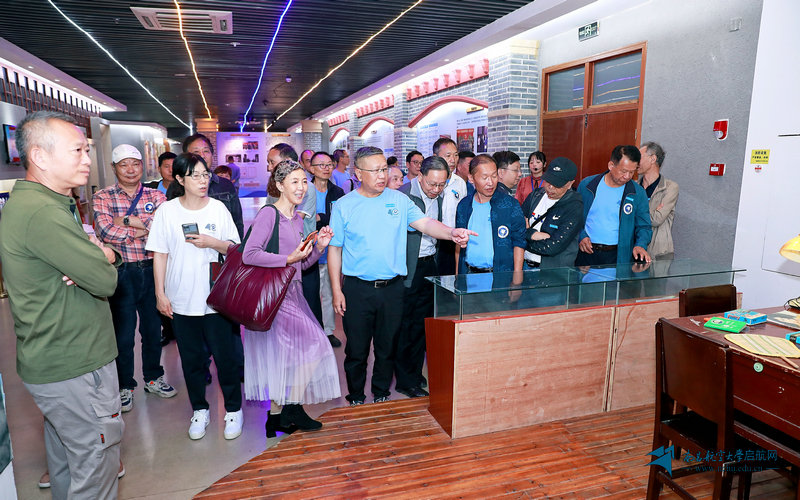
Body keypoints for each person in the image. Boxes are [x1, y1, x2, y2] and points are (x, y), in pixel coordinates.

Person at [0, 110, 124, 498]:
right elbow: (105, 280)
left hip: (58, 362)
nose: (87, 159)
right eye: (77, 150)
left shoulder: (45, 203)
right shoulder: (42, 213)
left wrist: (98, 256)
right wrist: (103, 256)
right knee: (95, 469)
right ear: (39, 156)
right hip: (75, 364)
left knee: (68, 465)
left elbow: (96, 266)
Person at [328, 146, 474, 406]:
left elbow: (425, 223)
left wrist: (451, 233)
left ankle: (381, 392)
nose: (382, 175)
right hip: (357, 289)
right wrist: (336, 290)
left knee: (387, 346)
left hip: (393, 288)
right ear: (358, 173)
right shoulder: (344, 205)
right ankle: (356, 396)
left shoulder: (399, 200)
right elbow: (335, 249)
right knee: (357, 349)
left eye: (384, 169)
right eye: (375, 170)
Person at [146, 152, 244, 440]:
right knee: (192, 361)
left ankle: (233, 410)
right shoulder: (167, 211)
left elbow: (235, 249)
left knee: (226, 359)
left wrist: (212, 242)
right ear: (179, 179)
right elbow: (160, 254)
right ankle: (200, 409)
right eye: (195, 176)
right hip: (181, 300)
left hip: (217, 300)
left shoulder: (218, 209)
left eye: (205, 175)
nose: (203, 181)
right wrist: (160, 293)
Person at [242, 159, 341, 436]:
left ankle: (275, 418)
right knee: (317, 344)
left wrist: (318, 248)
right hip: (276, 296)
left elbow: (301, 264)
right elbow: (250, 254)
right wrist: (287, 258)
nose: (301, 187)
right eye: (294, 181)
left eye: (304, 182)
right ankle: (291, 408)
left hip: (293, 292)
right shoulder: (268, 214)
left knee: (284, 357)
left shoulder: (298, 218)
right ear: (280, 185)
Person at [93, 144, 176, 413]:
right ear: (114, 168)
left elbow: (163, 226)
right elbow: (105, 231)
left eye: (135, 164)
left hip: (153, 269)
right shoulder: (103, 196)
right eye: (124, 164)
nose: (130, 169)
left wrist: (125, 221)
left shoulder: (156, 195)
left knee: (153, 331)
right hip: (121, 271)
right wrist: (145, 226)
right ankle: (125, 386)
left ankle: (153, 377)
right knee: (123, 334)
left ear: (142, 166)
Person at [395, 156, 449, 398]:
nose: (436, 189)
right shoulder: (402, 196)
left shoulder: (441, 196)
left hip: (429, 265)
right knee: (405, 325)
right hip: (408, 269)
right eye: (432, 184)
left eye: (441, 185)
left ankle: (414, 373)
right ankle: (405, 380)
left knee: (422, 324)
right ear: (420, 176)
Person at [267, 143, 321, 329]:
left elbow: (291, 220)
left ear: (287, 162)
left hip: (303, 256)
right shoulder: (274, 188)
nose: (269, 167)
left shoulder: (305, 189)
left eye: (272, 162)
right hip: (281, 259)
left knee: (308, 308)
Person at [575, 145, 652, 266]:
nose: (627, 176)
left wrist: (640, 245)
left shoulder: (637, 193)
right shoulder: (587, 185)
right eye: (624, 171)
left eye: (632, 172)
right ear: (611, 165)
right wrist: (581, 236)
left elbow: (644, 226)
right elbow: (574, 218)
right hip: (586, 252)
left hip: (617, 256)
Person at [456, 154, 525, 274]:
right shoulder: (464, 205)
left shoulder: (510, 205)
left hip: (500, 275)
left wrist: (517, 276)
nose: (491, 183)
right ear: (471, 178)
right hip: (469, 273)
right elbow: (458, 242)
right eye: (484, 177)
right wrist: (457, 275)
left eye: (494, 176)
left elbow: (519, 242)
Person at [167, 133, 244, 238]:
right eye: (196, 152)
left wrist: (236, 247)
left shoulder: (225, 185)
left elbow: (237, 222)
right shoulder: (175, 186)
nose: (202, 156)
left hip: (221, 246)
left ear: (212, 155)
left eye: (206, 151)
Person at [521, 157, 584, 269]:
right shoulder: (536, 195)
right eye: (548, 181)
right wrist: (532, 234)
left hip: (553, 271)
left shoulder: (574, 207)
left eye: (557, 184)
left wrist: (523, 239)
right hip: (525, 264)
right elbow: (516, 225)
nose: (550, 187)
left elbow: (552, 247)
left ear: (570, 184)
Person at [310, 151, 345, 347]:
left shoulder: (337, 192)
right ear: (311, 168)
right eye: (321, 165)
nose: (326, 168)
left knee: (330, 293)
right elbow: (304, 219)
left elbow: (339, 220)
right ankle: (312, 331)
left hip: (331, 251)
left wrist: (321, 218)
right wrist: (324, 219)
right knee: (311, 293)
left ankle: (328, 331)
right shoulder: (305, 190)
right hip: (309, 251)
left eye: (329, 164)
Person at [638, 141, 679, 259]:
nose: (635, 161)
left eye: (639, 157)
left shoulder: (670, 187)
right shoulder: (634, 187)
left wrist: (634, 213)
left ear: (653, 159)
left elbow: (657, 219)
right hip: (635, 250)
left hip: (659, 253)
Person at [434, 138, 468, 275]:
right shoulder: (428, 181)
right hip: (432, 238)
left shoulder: (460, 183)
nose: (453, 160)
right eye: (448, 155)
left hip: (452, 239)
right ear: (436, 156)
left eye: (456, 155)